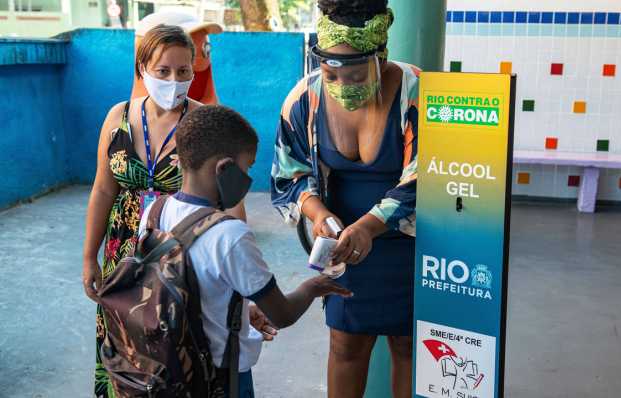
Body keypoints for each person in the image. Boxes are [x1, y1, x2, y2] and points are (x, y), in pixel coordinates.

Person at [81, 24, 255, 397]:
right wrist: (89, 258)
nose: (174, 81)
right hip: (124, 257)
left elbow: (232, 204)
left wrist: (245, 286)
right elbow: (102, 189)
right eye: (163, 71)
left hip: (182, 261)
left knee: (180, 352)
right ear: (143, 68)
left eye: (183, 71)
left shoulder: (206, 124)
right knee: (126, 348)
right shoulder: (118, 118)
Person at [138, 104, 351, 397]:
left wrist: (238, 310)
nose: (248, 178)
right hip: (218, 378)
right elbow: (282, 314)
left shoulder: (153, 212)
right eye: (247, 167)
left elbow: (181, 289)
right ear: (224, 168)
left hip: (166, 369)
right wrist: (313, 288)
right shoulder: (230, 235)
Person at [270, 0, 419, 397]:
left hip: (409, 245)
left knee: (407, 344)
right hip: (343, 246)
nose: (341, 87)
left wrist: (370, 226)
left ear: (380, 57)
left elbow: (426, 177)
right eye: (330, 73)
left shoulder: (416, 90)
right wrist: (318, 213)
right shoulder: (305, 97)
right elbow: (289, 172)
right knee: (345, 342)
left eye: (355, 76)